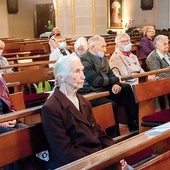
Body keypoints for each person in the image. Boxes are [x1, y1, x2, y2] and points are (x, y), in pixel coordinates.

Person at [41, 54, 133, 170]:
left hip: (95, 155)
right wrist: (99, 162)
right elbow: (64, 151)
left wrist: (116, 154)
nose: (83, 76)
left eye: (82, 71)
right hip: (79, 164)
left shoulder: (82, 100)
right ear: (60, 78)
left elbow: (98, 132)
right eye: (77, 71)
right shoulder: (51, 107)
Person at [80, 35, 138, 133]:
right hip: (91, 92)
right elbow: (96, 81)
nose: (105, 49)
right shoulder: (84, 59)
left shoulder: (101, 57)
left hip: (104, 87)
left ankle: (133, 124)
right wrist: (114, 80)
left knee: (126, 88)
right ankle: (114, 135)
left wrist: (116, 84)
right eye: (102, 46)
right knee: (112, 104)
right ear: (92, 47)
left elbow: (111, 74)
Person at [146, 34, 170, 109]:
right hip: (160, 83)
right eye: (164, 44)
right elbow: (158, 74)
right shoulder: (152, 57)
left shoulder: (167, 54)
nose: (167, 45)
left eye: (168, 43)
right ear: (156, 45)